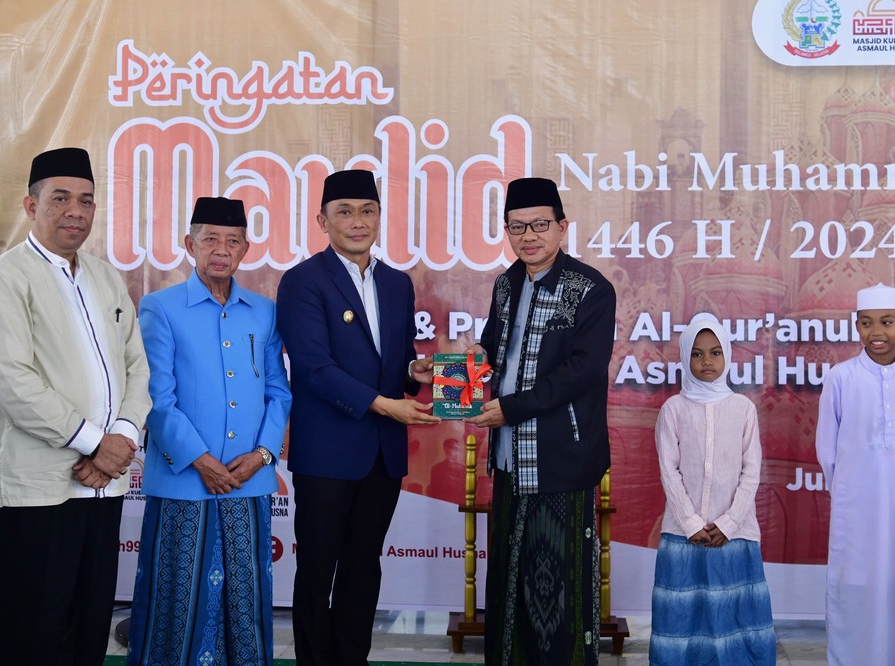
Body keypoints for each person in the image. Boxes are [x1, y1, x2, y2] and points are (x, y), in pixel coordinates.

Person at [0, 147, 152, 666]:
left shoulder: (104, 276)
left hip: (103, 487)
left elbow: (138, 369)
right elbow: (12, 381)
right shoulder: (4, 279)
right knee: (31, 630)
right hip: (39, 489)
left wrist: (122, 438)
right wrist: (99, 443)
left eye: (87, 200)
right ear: (31, 205)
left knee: (87, 624)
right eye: (61, 198)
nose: (76, 210)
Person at [276, 169, 439, 665]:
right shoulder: (303, 281)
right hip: (327, 452)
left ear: (379, 217)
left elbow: (393, 359)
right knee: (318, 570)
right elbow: (313, 367)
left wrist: (416, 369)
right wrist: (387, 405)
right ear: (322, 220)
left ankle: (352, 659)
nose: (357, 221)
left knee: (364, 568)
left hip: (382, 453)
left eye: (367, 210)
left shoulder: (396, 283)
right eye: (344, 211)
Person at [126, 197, 292, 665]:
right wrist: (202, 460)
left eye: (232, 241)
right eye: (211, 240)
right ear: (189, 245)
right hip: (185, 480)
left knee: (245, 597)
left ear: (246, 249)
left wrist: (262, 455)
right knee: (179, 596)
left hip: (248, 478)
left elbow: (279, 391)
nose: (221, 250)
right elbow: (157, 396)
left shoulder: (263, 310)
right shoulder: (160, 307)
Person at [466, 177, 615, 665]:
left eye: (540, 225)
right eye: (517, 226)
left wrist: (512, 407)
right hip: (510, 459)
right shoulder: (506, 284)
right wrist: (473, 361)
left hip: (560, 461)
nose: (529, 235)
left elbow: (582, 371)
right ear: (507, 230)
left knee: (559, 588)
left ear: (562, 227)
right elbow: (495, 349)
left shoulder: (591, 288)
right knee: (509, 582)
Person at [816, 283, 895, 666]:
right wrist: (850, 492)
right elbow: (827, 449)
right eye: (867, 323)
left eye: (887, 322)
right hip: (857, 508)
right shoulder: (841, 378)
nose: (876, 332)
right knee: (856, 586)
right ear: (856, 326)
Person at [649, 313, 776, 664]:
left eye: (716, 352)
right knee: (684, 621)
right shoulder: (673, 409)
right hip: (682, 534)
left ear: (728, 357)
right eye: (698, 353)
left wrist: (729, 523)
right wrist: (691, 523)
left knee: (735, 619)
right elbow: (668, 471)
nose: (707, 361)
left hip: (735, 535)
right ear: (685, 357)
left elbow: (752, 471)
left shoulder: (743, 408)